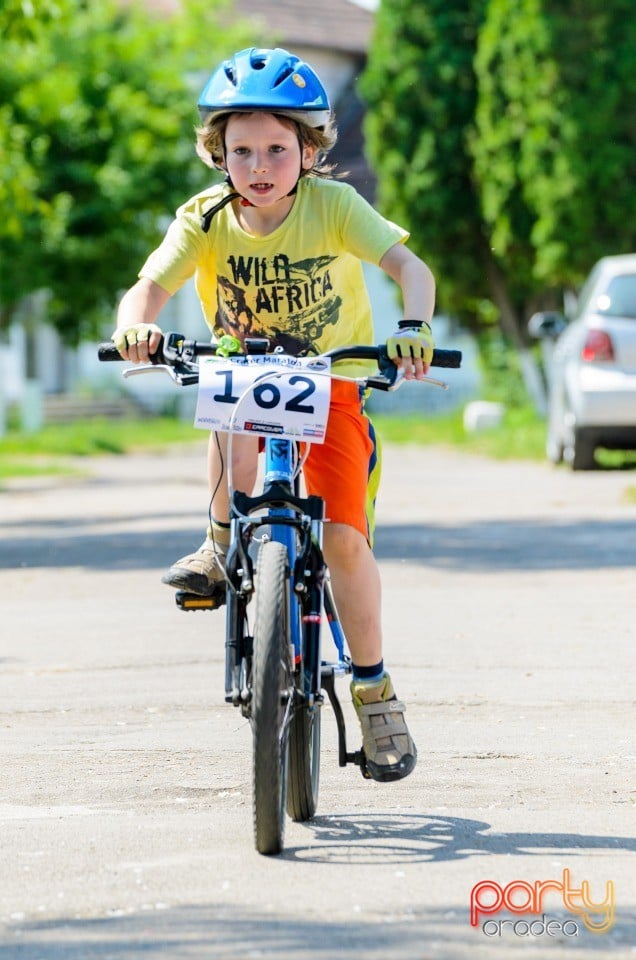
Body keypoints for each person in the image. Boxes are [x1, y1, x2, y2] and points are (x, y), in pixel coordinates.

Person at [112, 47, 436, 783]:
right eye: (241, 150)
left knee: (347, 539)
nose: (259, 166)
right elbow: (148, 288)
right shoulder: (203, 218)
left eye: (277, 150)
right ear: (217, 154)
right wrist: (137, 326)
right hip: (248, 376)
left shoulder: (336, 207)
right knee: (226, 407)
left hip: (334, 383)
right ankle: (219, 540)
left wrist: (413, 324)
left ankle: (373, 688)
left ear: (311, 150)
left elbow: (409, 269)